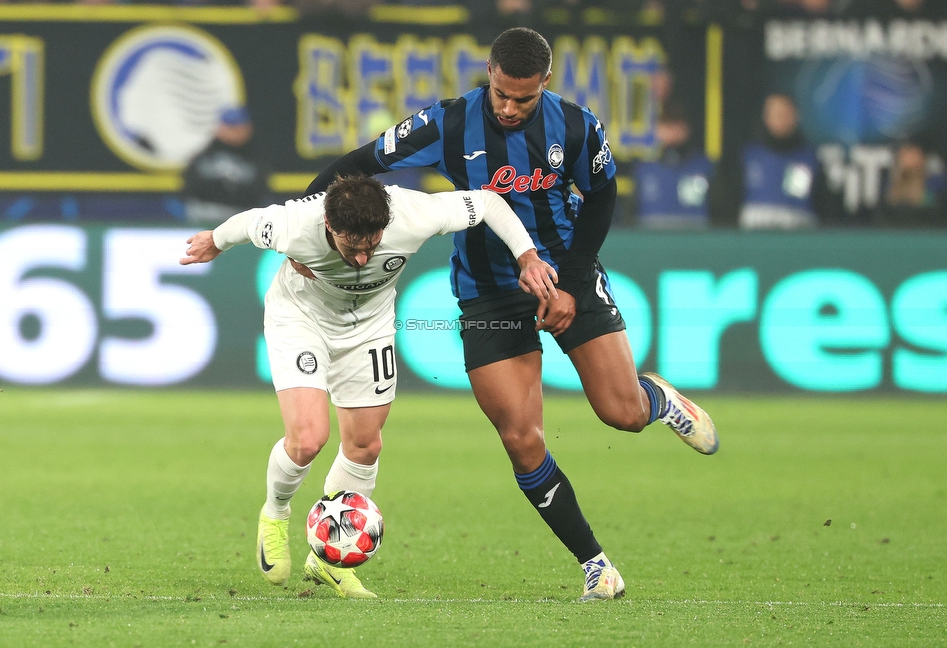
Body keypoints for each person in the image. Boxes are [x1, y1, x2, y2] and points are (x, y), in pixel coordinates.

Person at [304, 27, 719, 602]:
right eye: (500, 93)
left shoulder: (576, 126)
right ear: (490, 74)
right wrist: (307, 229)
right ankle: (596, 566)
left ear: (544, 84)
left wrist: (571, 284)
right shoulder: (447, 122)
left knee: (621, 415)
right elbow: (359, 162)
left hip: (562, 277)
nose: (508, 107)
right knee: (521, 438)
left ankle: (660, 401)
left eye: (523, 99)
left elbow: (600, 198)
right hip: (487, 292)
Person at [180, 176, 557, 599]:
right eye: (350, 246)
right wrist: (214, 240)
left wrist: (527, 256)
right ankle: (275, 512)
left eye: (371, 245)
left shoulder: (412, 213)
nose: (361, 259)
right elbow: (246, 224)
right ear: (328, 224)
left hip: (371, 328)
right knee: (307, 439)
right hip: (301, 319)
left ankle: (327, 562)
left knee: (365, 446)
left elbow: (487, 202)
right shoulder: (293, 224)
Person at [720, 93, 826, 230]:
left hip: (798, 243)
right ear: (766, 117)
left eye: (785, 113)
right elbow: (727, 202)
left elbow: (824, 206)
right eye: (775, 114)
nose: (780, 119)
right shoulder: (748, 156)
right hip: (753, 243)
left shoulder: (811, 159)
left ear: (796, 116)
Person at [630, 100, 714, 229]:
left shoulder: (702, 166)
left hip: (694, 241)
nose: (673, 131)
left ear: (686, 128)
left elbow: (720, 213)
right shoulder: (644, 168)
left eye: (677, 125)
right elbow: (630, 213)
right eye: (666, 125)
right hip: (652, 243)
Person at [181, 106, 268, 225]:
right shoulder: (206, 155)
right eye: (230, 126)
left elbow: (259, 190)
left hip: (241, 216)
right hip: (205, 214)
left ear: (248, 128)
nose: (234, 132)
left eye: (238, 126)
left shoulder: (256, 157)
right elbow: (189, 186)